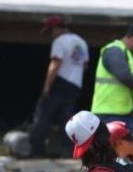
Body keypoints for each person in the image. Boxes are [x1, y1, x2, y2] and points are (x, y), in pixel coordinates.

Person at [28, 15, 89, 158]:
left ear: (56, 28)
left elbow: (55, 64)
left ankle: (36, 152)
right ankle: (68, 152)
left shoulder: (60, 42)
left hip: (60, 82)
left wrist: (47, 86)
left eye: (51, 30)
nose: (51, 34)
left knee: (43, 117)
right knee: (67, 120)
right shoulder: (81, 42)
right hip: (75, 85)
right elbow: (84, 66)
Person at [91, 24, 133, 133]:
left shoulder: (127, 55)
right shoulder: (114, 51)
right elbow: (123, 75)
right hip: (109, 115)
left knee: (130, 149)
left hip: (124, 115)